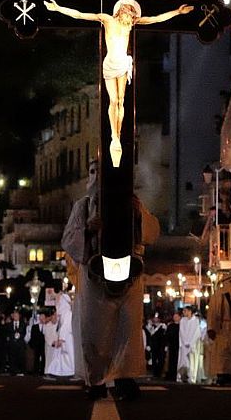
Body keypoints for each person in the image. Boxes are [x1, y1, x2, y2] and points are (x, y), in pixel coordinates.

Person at [44, 0, 193, 167]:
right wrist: (58, 8)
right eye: (127, 11)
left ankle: (117, 136)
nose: (129, 15)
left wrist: (178, 12)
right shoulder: (107, 20)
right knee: (113, 100)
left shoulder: (131, 24)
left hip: (122, 63)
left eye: (131, 13)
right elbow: (80, 15)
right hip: (110, 64)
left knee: (121, 100)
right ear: (121, 11)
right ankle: (114, 135)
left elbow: (156, 19)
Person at [62, 157, 161, 400]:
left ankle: (125, 380)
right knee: (95, 331)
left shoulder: (133, 202)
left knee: (128, 329)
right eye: (92, 171)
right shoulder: (83, 207)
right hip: (95, 276)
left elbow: (152, 232)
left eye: (101, 171)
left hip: (129, 274)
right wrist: (88, 229)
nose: (97, 176)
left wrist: (138, 215)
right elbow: (69, 239)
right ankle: (96, 380)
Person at [178, 306, 202, 383]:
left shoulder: (196, 320)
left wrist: (191, 342)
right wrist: (185, 341)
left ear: (190, 311)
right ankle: (182, 375)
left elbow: (196, 333)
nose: (183, 312)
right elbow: (181, 331)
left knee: (192, 361)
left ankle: (191, 377)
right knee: (183, 360)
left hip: (192, 344)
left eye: (185, 311)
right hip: (184, 344)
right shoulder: (183, 320)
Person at [7, 310, 27, 375]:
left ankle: (21, 371)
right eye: (14, 315)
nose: (15, 316)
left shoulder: (23, 324)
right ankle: (13, 372)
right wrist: (13, 336)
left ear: (19, 316)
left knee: (21, 358)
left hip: (20, 344)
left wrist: (19, 336)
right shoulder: (9, 324)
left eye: (17, 315)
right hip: (12, 344)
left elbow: (24, 333)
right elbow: (8, 333)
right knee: (12, 358)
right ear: (13, 316)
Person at [164, 311, 181, 381]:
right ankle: (170, 374)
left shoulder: (182, 326)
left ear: (179, 317)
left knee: (177, 360)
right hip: (171, 345)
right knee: (170, 360)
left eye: (176, 316)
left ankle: (176, 375)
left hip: (178, 345)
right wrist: (166, 344)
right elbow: (167, 335)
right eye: (174, 317)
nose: (175, 318)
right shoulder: (170, 326)